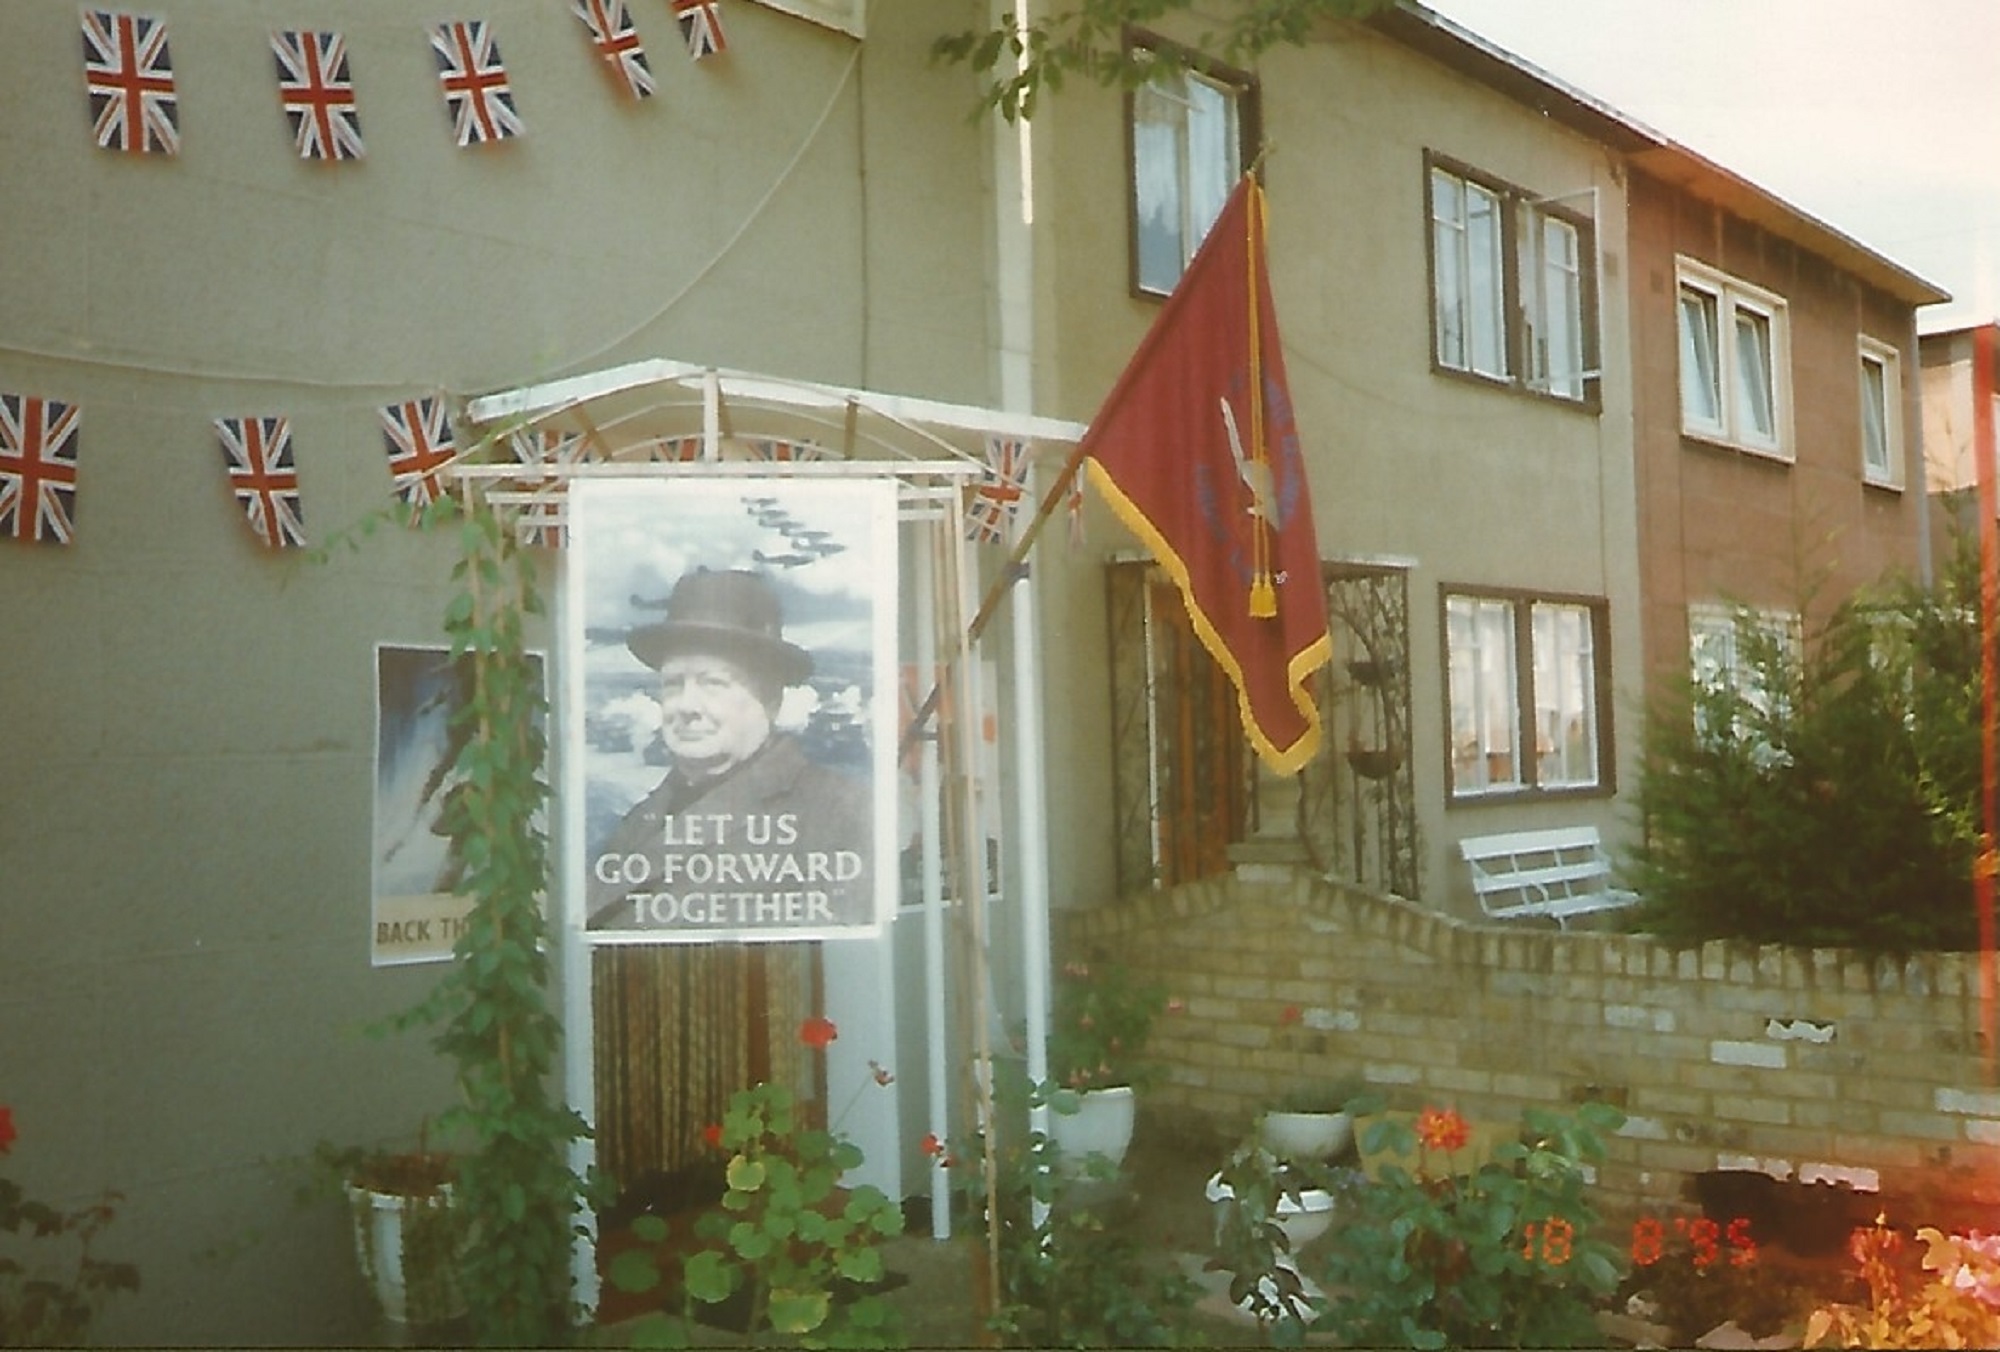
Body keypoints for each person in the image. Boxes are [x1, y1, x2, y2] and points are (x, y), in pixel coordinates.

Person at [585, 567, 873, 932]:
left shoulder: (844, 812)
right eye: (673, 684)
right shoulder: (640, 820)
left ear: (770, 700)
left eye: (713, 683)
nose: (686, 705)